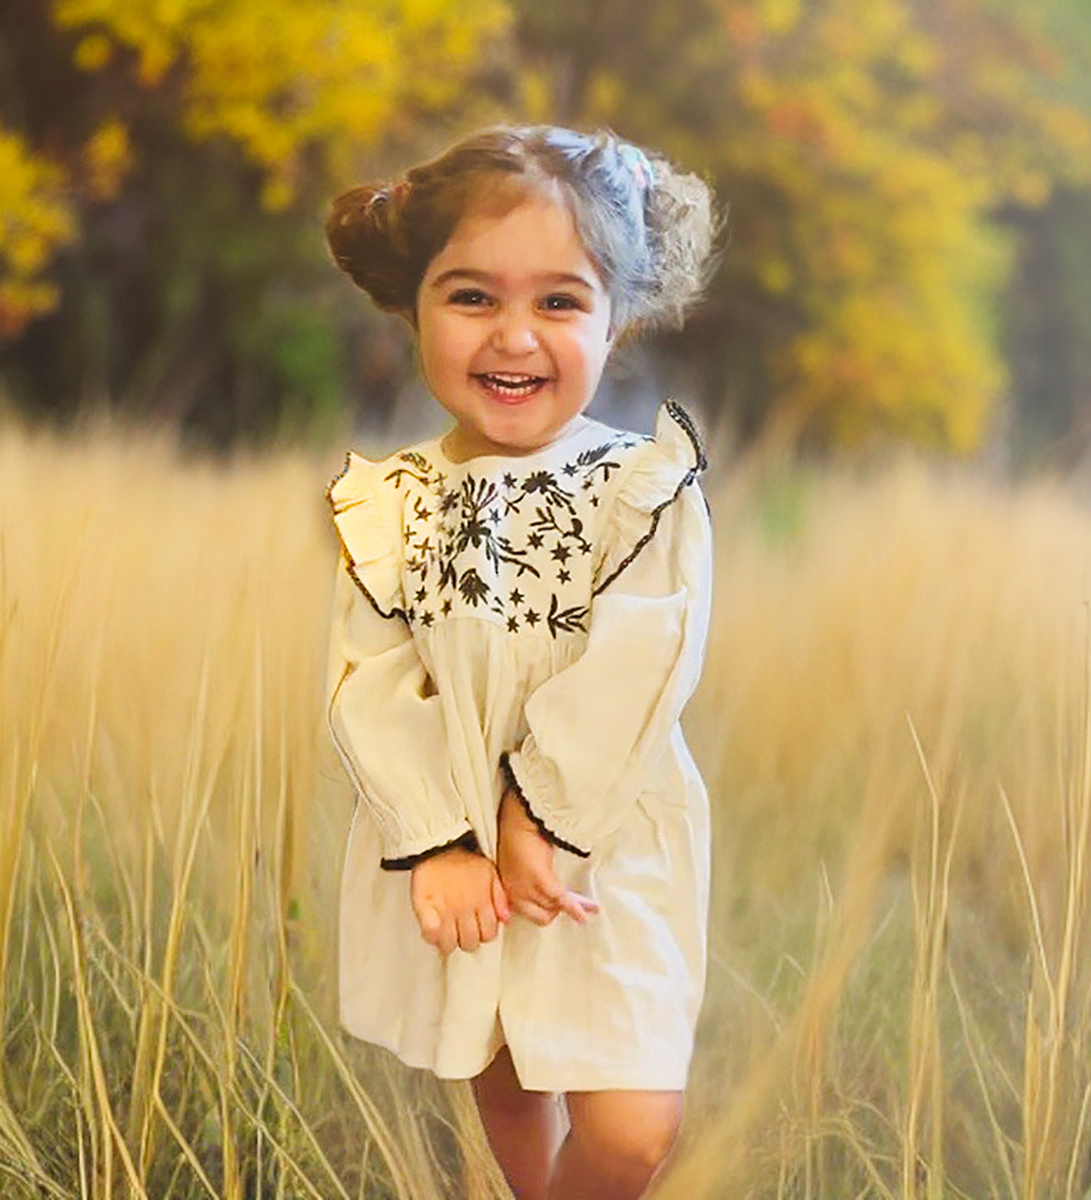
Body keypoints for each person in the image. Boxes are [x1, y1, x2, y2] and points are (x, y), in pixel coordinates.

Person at [322, 124, 718, 1200]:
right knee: (502, 1058)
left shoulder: (640, 486)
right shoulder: (388, 503)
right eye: (471, 298)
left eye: (558, 301)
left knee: (632, 1128)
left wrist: (538, 814)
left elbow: (647, 655)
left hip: (598, 846)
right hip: (456, 850)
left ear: (616, 317)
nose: (514, 337)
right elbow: (372, 684)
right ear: (414, 308)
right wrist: (442, 840)